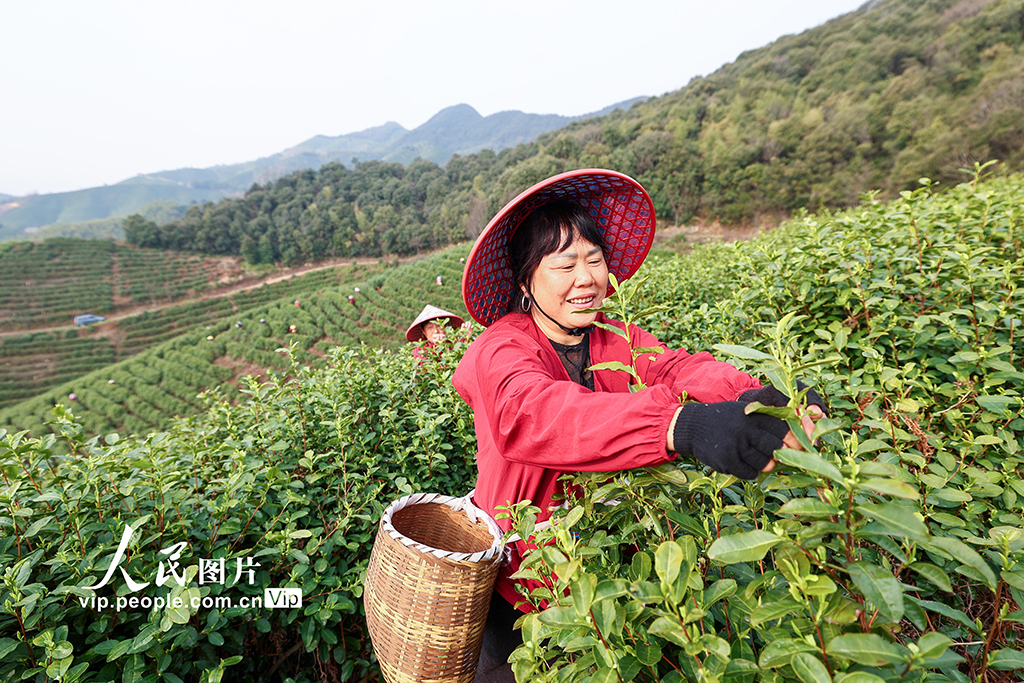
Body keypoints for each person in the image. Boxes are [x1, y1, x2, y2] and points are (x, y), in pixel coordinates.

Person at [452, 169, 825, 680]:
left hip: (599, 565)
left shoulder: (613, 336)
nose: (586, 279)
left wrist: (760, 395)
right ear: (525, 282)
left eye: (594, 260)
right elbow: (534, 414)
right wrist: (679, 426)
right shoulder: (502, 347)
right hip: (522, 576)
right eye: (564, 265)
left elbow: (677, 369)